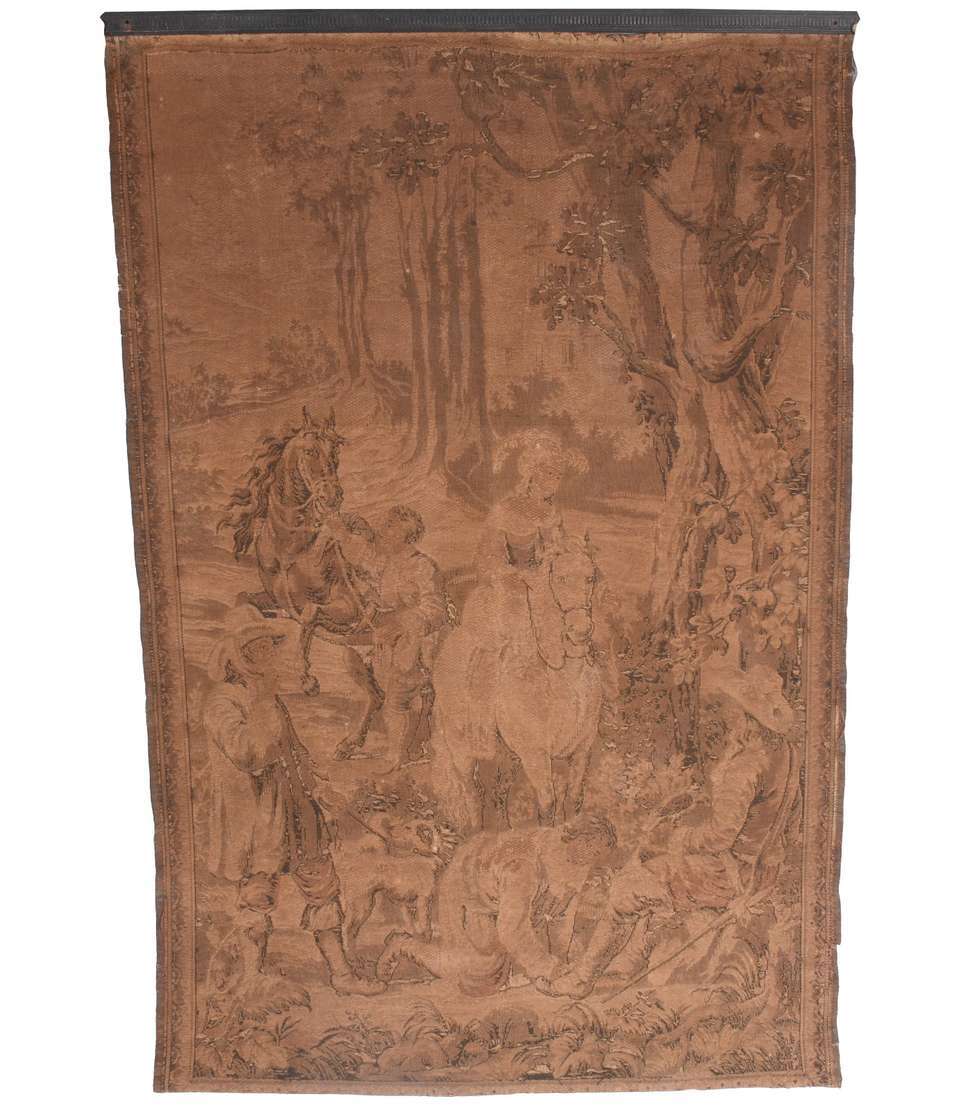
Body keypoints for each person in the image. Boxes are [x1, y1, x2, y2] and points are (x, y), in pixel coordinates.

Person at [547, 663, 796, 999]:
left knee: (624, 890)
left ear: (748, 717)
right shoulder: (786, 754)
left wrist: (676, 838)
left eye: (734, 709)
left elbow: (720, 835)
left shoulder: (745, 767)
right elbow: (775, 820)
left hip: (725, 875)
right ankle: (628, 961)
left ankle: (582, 978)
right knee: (651, 866)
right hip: (759, 870)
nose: (727, 716)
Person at [203, 604, 383, 995]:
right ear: (238, 657)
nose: (267, 655)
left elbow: (294, 752)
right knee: (257, 894)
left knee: (323, 886)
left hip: (297, 809)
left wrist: (319, 788)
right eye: (257, 649)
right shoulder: (223, 702)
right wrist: (263, 703)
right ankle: (251, 978)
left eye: (268, 647)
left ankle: (342, 975)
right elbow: (250, 754)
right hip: (258, 818)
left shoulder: (267, 699)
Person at [375, 816, 618, 995]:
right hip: (466, 887)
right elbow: (512, 929)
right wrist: (551, 970)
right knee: (475, 977)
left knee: (502, 967)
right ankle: (403, 945)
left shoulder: (570, 857)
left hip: (498, 894)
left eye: (598, 856)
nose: (593, 861)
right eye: (594, 852)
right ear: (582, 840)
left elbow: (562, 912)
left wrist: (561, 965)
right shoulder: (523, 866)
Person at [331, 505, 447, 765]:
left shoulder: (423, 566)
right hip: (390, 637)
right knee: (352, 656)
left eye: (390, 527)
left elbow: (435, 609)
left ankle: (396, 757)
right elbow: (362, 561)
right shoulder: (388, 563)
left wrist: (402, 624)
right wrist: (341, 533)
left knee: (396, 698)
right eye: (385, 525)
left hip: (420, 641)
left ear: (407, 534)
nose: (382, 531)